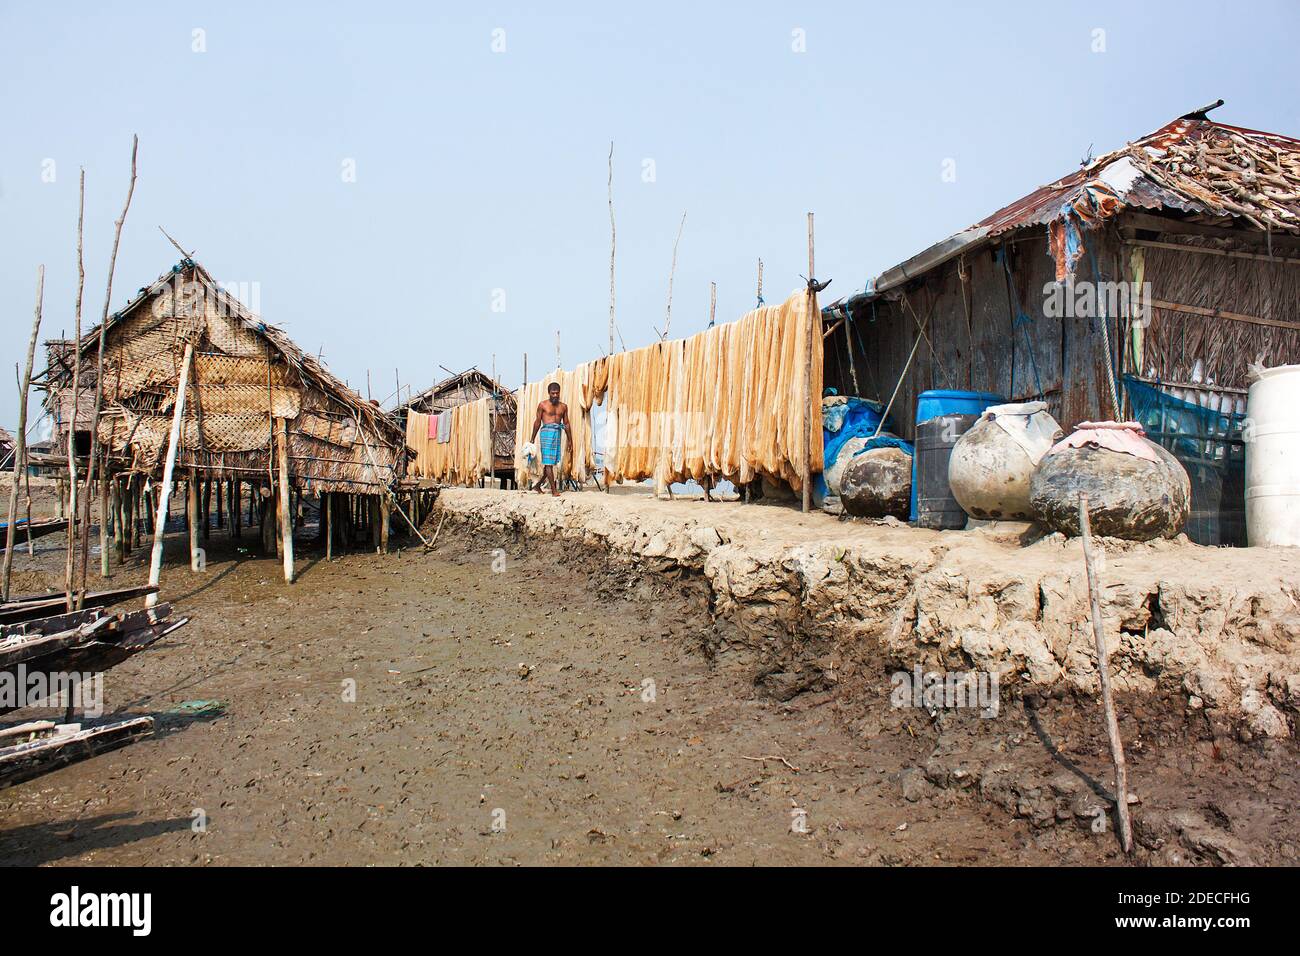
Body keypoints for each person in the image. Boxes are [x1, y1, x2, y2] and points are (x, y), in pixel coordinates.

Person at [529, 382, 572, 496]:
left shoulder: (563, 407)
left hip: (557, 434)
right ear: (549, 393)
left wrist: (570, 440)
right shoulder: (542, 405)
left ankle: (537, 486)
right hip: (546, 434)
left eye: (557, 393)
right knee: (548, 463)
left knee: (551, 463)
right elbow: (537, 422)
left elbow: (566, 424)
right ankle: (554, 490)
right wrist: (532, 438)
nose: (555, 395)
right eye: (553, 393)